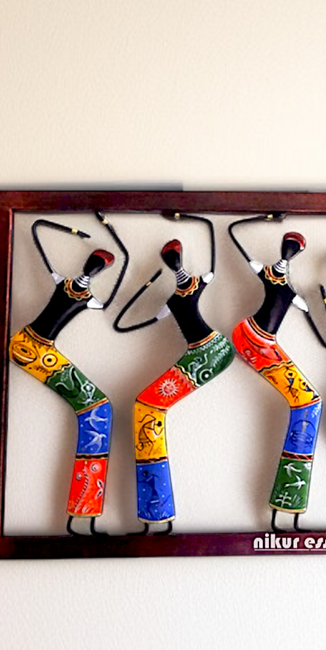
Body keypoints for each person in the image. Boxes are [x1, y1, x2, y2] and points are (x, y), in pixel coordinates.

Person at [114, 213, 234, 534]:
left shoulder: (198, 283)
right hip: (203, 352)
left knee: (147, 408)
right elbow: (130, 321)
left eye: (174, 261)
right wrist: (144, 291)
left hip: (211, 351)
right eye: (172, 262)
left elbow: (212, 247)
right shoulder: (173, 297)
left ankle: (156, 510)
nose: (175, 267)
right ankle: (157, 511)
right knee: (147, 409)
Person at [8, 212, 128, 535]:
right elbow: (38, 237)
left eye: (97, 267)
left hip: (32, 346)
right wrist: (116, 248)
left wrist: (110, 244)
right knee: (96, 408)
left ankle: (83, 511)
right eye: (97, 266)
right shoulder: (79, 292)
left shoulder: (70, 285)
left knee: (96, 409)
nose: (93, 271)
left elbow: (39, 236)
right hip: (34, 349)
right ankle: (83, 511)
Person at [229, 214, 326, 532]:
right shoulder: (276, 281)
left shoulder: (284, 286)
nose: (287, 257)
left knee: (308, 403)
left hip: (254, 339)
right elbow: (234, 235)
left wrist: (320, 307)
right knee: (308, 403)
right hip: (254, 341)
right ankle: (288, 502)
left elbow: (235, 235)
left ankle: (287, 502)